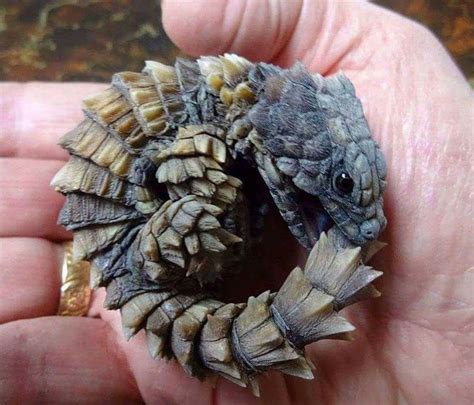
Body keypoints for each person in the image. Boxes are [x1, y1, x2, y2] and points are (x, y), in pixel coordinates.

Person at [0, 0, 472, 403]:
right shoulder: (242, 121)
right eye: (341, 183)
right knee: (202, 181)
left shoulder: (263, 114)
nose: (366, 229)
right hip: (133, 237)